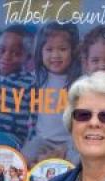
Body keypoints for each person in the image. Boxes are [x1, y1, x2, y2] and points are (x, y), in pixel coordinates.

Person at [23, 23, 81, 165]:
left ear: (73, 51)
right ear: (40, 52)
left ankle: (56, 161)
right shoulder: (38, 77)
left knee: (79, 161)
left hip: (71, 141)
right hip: (43, 139)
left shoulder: (80, 80)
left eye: (62, 49)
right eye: (49, 49)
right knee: (23, 157)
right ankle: (47, 161)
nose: (55, 55)